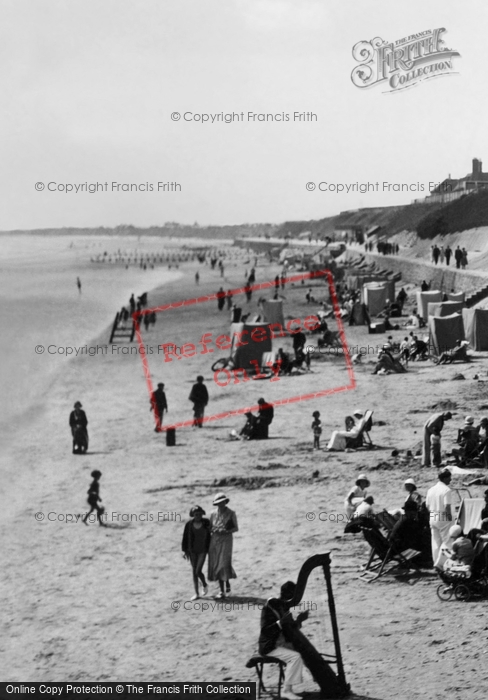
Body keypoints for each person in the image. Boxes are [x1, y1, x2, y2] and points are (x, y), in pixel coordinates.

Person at [258, 581, 309, 700]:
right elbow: (265, 630)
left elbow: (289, 631)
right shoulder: (270, 607)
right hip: (269, 647)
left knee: (304, 652)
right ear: (287, 596)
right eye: (292, 598)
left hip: (280, 644)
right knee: (295, 657)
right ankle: (287, 690)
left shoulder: (284, 607)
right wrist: (280, 623)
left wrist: (299, 621)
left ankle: (320, 677)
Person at [207, 493, 238, 599]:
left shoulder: (231, 513)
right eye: (218, 503)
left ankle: (226, 584)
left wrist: (225, 530)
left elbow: (235, 528)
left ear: (225, 502)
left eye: (222, 502)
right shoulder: (212, 514)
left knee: (224, 563)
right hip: (215, 541)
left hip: (226, 541)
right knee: (216, 564)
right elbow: (209, 528)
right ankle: (222, 589)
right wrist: (214, 530)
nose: (221, 504)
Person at [425, 468, 454, 568]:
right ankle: (442, 563)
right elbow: (447, 506)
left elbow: (427, 506)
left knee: (436, 542)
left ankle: (436, 562)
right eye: (449, 478)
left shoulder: (431, 490)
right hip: (443, 516)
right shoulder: (446, 490)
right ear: (445, 478)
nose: (450, 480)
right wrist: (450, 518)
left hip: (433, 515)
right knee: (447, 541)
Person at [182, 505, 211, 600]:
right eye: (196, 514)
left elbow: (211, 534)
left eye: (199, 514)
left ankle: (204, 584)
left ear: (202, 514)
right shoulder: (189, 524)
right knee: (194, 572)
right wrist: (184, 550)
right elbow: (185, 538)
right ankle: (196, 593)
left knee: (198, 570)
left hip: (203, 550)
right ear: (193, 515)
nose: (198, 516)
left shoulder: (206, 522)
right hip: (192, 551)